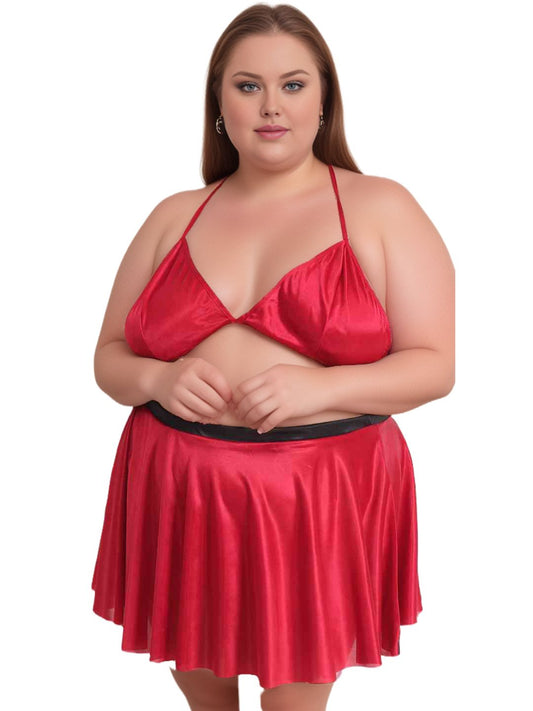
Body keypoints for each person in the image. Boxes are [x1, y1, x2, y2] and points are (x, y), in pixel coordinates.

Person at [90, 4, 455, 711]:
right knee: (205, 700)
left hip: (314, 494)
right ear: (218, 102)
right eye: (247, 85)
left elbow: (435, 365)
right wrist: (157, 377)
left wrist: (318, 390)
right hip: (180, 486)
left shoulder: (382, 207)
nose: (270, 107)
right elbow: (108, 358)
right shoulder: (174, 214)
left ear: (324, 100)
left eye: (292, 84)